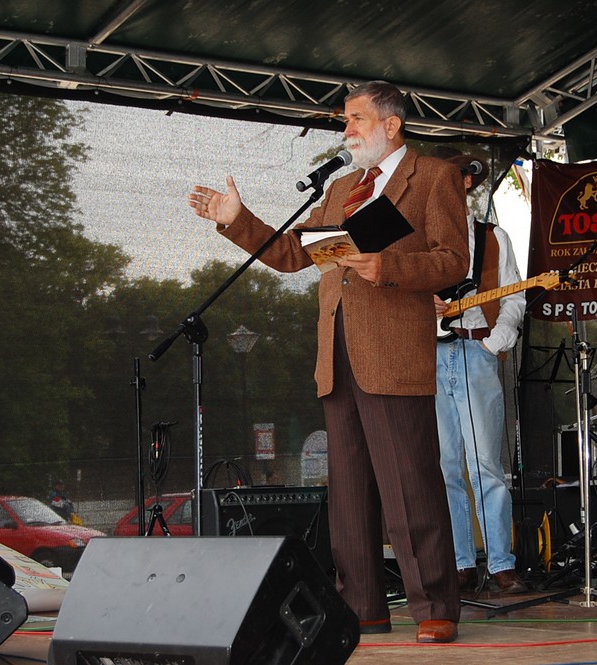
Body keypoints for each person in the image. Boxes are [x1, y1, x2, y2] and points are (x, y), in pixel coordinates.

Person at [188, 80, 468, 643]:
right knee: (349, 495)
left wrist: (388, 267)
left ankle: (435, 606)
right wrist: (239, 219)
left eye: (357, 118)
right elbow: (295, 255)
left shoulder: (432, 177)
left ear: (391, 124)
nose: (347, 129)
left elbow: (454, 260)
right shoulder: (341, 187)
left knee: (410, 485)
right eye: (345, 120)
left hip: (393, 353)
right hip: (336, 356)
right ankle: (361, 608)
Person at [434, 154, 527, 595]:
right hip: (429, 357)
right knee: (444, 467)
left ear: (468, 185)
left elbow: (515, 296)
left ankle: (501, 562)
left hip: (477, 350)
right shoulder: (418, 239)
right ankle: (460, 562)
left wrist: (496, 340)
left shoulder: (493, 238)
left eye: (457, 180)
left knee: (486, 464)